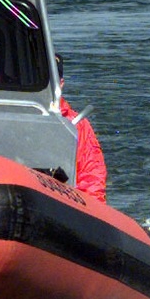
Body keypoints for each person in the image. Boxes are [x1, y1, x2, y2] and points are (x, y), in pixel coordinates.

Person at [55, 53, 107, 202]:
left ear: (61, 83)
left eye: (52, 80)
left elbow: (92, 176)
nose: (48, 85)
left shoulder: (78, 125)